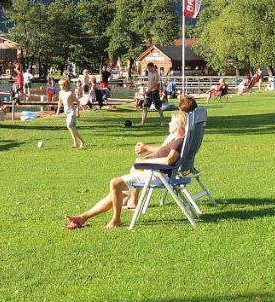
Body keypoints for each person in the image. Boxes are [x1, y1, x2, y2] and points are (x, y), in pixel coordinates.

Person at [64, 96, 197, 230]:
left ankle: (116, 219)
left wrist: (145, 162)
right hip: (156, 173)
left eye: (171, 122)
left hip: (158, 175)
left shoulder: (179, 141)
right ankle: (83, 217)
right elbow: (166, 156)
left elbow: (169, 160)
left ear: (179, 126)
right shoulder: (178, 140)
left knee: (115, 183)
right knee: (116, 191)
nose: (169, 124)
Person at [139, 62, 161, 126]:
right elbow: (149, 82)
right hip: (149, 92)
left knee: (158, 107)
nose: (149, 70)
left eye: (150, 68)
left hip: (154, 92)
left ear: (153, 67)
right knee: (145, 107)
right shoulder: (149, 73)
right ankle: (142, 122)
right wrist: (146, 89)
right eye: (148, 69)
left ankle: (163, 120)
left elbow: (155, 84)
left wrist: (148, 90)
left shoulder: (156, 74)